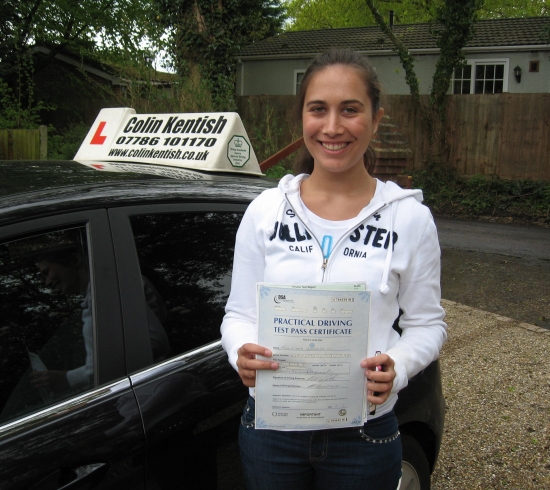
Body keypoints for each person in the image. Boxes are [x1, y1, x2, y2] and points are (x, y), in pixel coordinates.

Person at [221, 48, 447, 490]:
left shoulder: (411, 220)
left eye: (350, 110)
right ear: (302, 117)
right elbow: (238, 314)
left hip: (364, 433)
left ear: (376, 118)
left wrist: (397, 367)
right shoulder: (265, 212)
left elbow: (428, 325)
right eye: (318, 109)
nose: (332, 127)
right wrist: (240, 351)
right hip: (272, 430)